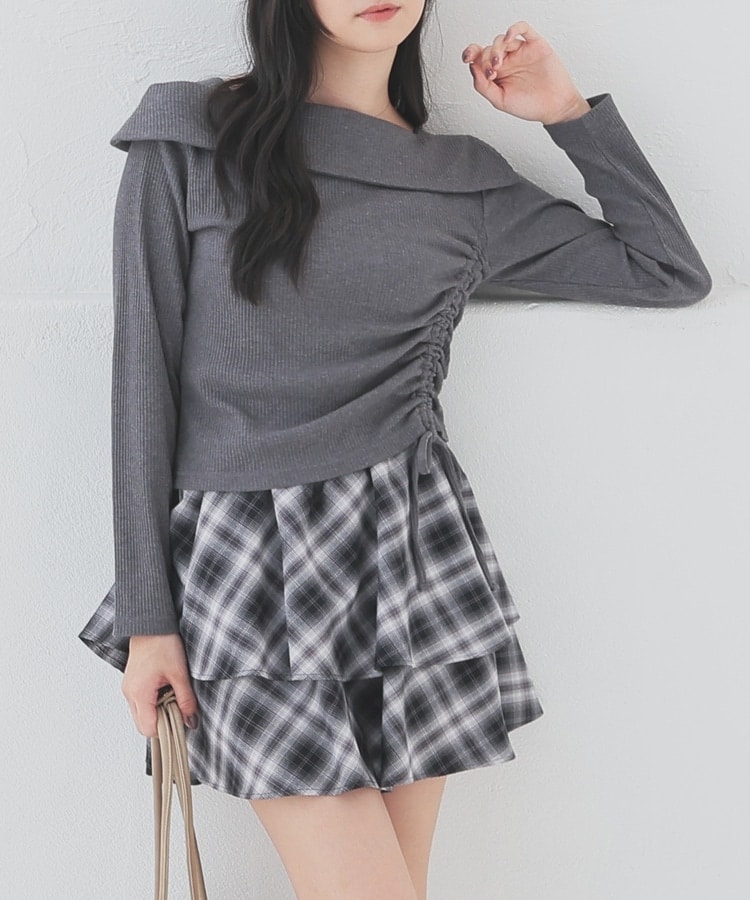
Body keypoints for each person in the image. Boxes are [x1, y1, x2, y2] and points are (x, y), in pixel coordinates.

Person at [77, 3, 712, 898]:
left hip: (412, 561)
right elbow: (140, 382)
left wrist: (568, 114)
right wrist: (151, 623)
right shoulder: (192, 136)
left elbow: (667, 269)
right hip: (246, 573)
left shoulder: (460, 183)